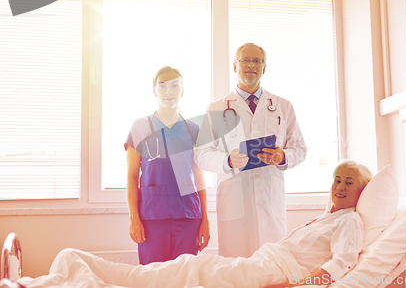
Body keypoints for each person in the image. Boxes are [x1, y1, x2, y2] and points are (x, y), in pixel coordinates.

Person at [15, 161, 371, 288]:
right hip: (259, 264)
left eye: (348, 182)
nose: (339, 187)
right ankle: (76, 265)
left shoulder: (350, 223)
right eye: (337, 179)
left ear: (363, 191)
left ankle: (75, 266)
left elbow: (342, 265)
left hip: (267, 272)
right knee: (185, 269)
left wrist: (302, 284)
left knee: (187, 271)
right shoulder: (329, 217)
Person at [194, 42, 307, 258]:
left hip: (270, 201)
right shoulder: (217, 108)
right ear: (234, 66)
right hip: (235, 202)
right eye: (245, 60)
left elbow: (300, 148)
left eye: (257, 61)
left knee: (271, 266)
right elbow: (201, 154)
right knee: (236, 270)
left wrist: (282, 156)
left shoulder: (283, 106)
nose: (251, 65)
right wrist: (227, 161)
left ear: (264, 68)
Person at [124, 66, 209, 264]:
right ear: (154, 91)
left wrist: (205, 219)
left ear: (183, 90)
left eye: (174, 85)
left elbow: (199, 178)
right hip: (152, 217)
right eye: (162, 87)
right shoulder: (140, 126)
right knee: (153, 279)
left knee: (184, 277)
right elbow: (131, 176)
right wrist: (133, 218)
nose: (168, 91)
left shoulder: (193, 130)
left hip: (188, 216)